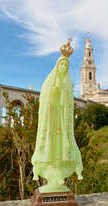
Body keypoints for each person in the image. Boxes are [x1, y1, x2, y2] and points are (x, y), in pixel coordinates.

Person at [31, 38, 83, 193]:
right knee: (49, 142)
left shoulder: (68, 81)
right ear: (57, 64)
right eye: (62, 63)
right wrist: (53, 91)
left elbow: (67, 101)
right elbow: (45, 95)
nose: (64, 66)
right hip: (51, 117)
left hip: (62, 117)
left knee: (62, 143)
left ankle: (61, 170)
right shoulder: (50, 79)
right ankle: (48, 170)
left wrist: (62, 93)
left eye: (66, 65)